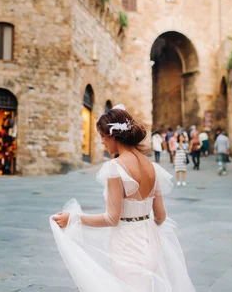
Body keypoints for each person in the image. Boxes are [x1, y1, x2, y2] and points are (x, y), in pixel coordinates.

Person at [50, 105, 195, 291]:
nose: (102, 141)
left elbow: (112, 218)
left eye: (102, 136)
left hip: (126, 244)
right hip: (150, 243)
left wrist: (74, 218)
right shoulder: (152, 167)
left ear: (112, 135)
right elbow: (160, 216)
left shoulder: (115, 168)